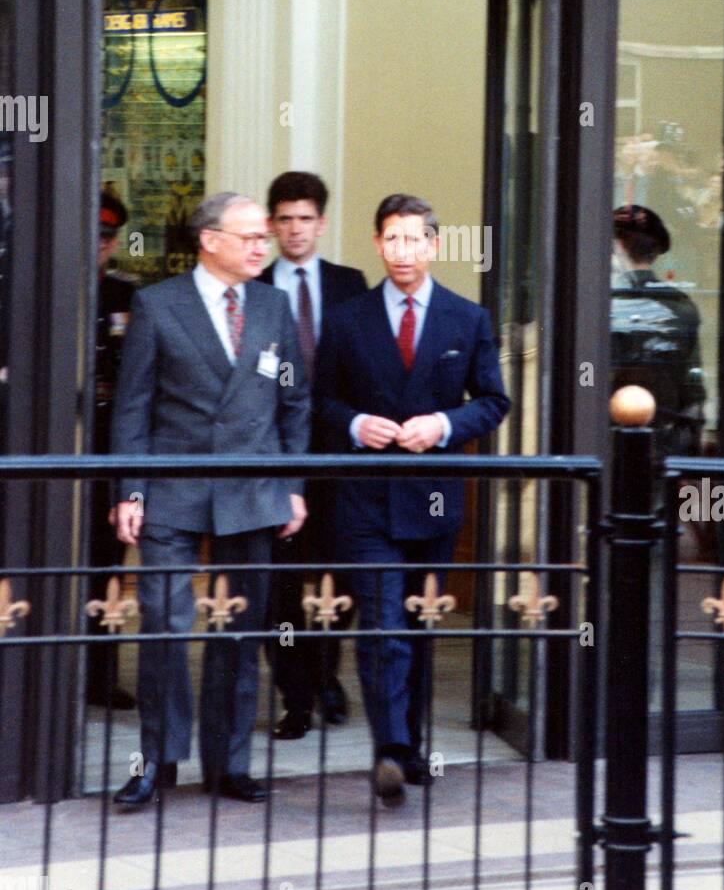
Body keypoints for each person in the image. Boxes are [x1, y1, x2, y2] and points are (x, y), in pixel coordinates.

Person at [110, 192, 310, 809]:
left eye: (265, 238)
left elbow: (293, 402)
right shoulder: (156, 303)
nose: (261, 246)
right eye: (249, 236)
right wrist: (132, 491)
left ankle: (229, 764)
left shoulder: (275, 305)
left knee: (239, 633)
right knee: (164, 628)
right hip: (174, 488)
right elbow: (134, 406)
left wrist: (292, 486)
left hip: (252, 491)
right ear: (210, 239)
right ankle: (158, 761)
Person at [315, 194, 510, 807]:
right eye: (391, 240)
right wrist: (354, 426)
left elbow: (493, 400)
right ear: (377, 245)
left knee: (420, 627)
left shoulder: (467, 318)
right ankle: (390, 749)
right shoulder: (348, 319)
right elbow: (319, 402)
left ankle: (412, 743)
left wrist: (445, 426)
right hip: (366, 498)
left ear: (433, 244)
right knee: (381, 625)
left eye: (414, 239)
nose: (402, 251)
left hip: (432, 498)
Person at [259, 171, 367, 738]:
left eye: (305, 219)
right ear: (272, 223)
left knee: (341, 577)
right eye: (284, 219)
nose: (295, 229)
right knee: (277, 582)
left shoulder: (351, 284)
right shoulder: (253, 284)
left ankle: (326, 674)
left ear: (321, 223)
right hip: (273, 457)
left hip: (339, 458)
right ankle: (294, 696)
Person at [86, 190, 138, 709]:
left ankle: (98, 674)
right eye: (92, 235)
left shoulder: (126, 296)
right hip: (55, 443)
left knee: (105, 567)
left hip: (107, 446)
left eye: (106, 238)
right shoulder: (34, 283)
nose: (99, 246)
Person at [611, 204, 705, 457]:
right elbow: (693, 393)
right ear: (653, 254)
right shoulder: (680, 306)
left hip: (603, 445)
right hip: (663, 447)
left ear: (617, 247)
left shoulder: (599, 304)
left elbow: (584, 378)